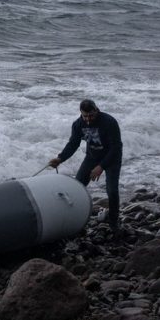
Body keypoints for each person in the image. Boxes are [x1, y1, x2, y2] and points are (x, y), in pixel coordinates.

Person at [49, 99, 123, 236]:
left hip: (112, 158)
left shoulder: (109, 122)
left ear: (96, 110)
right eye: (85, 116)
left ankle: (114, 221)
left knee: (112, 190)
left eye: (91, 116)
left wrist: (101, 167)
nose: (88, 119)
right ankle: (76, 219)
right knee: (78, 186)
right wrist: (60, 159)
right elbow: (73, 144)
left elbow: (116, 147)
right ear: (81, 114)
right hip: (92, 157)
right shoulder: (78, 124)